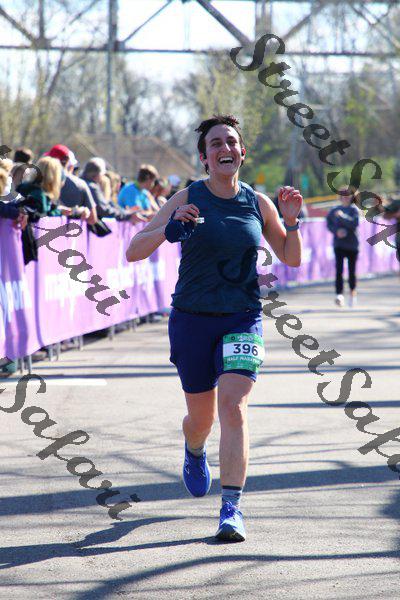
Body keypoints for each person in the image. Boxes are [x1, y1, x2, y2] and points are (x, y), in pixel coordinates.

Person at [126, 114, 302, 542]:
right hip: (192, 319)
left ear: (242, 152)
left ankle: (231, 508)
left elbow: (291, 257)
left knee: (234, 408)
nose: (225, 148)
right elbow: (133, 249)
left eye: (231, 142)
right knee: (201, 418)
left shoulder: (258, 202)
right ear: (204, 158)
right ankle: (194, 448)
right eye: (216, 143)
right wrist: (169, 229)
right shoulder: (188, 196)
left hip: (242, 317)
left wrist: (292, 221)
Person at [81, 160, 146, 223]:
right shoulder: (92, 187)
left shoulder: (81, 183)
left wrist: (126, 212)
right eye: (102, 175)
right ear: (98, 174)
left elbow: (108, 206)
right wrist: (128, 215)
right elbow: (104, 210)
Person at [46, 144, 97, 224]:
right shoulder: (80, 184)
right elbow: (92, 219)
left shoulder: (39, 182)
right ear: (68, 162)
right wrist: (79, 211)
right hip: (72, 230)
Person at [326, 187, 360, 307]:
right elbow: (329, 224)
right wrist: (336, 231)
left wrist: (342, 216)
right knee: (339, 270)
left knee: (351, 271)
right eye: (343, 195)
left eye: (348, 195)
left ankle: (352, 292)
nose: (345, 197)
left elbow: (354, 223)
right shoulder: (334, 210)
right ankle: (339, 295)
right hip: (339, 245)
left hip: (352, 245)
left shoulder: (354, 209)